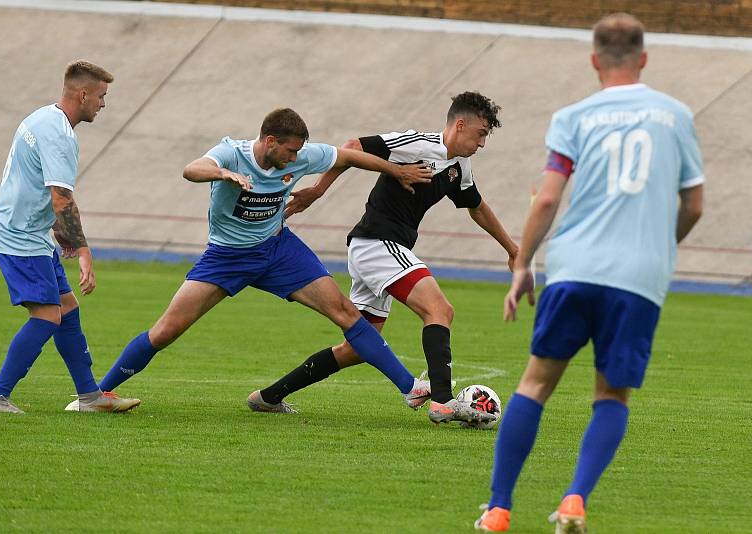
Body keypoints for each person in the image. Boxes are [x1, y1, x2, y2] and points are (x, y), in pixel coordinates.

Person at [475, 13, 704, 533]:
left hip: (575, 268)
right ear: (644, 58)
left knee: (535, 384)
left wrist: (523, 263)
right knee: (611, 395)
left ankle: (498, 509)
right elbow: (693, 203)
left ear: (594, 60)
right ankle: (575, 500)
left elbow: (550, 195)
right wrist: (660, 246)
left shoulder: (574, 116)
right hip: (638, 280)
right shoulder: (675, 115)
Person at [96, 108, 435, 407]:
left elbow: (348, 156)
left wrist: (396, 172)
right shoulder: (231, 153)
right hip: (226, 257)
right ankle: (99, 395)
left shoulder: (300, 155)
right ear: (270, 141)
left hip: (278, 250)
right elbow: (192, 169)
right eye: (289, 151)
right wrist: (223, 174)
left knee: (345, 312)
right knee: (166, 331)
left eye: (299, 152)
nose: (294, 159)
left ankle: (410, 389)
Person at [250, 91, 518, 425]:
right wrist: (318, 190)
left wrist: (512, 249)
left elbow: (476, 206)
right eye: (481, 134)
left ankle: (268, 397)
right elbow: (353, 147)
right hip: (378, 243)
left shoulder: (459, 167)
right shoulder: (418, 144)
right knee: (439, 309)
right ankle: (443, 401)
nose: (482, 144)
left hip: (379, 248)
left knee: (358, 348)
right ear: (460, 125)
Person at [0, 60, 141, 414]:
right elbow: (61, 198)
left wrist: (59, 234)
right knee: (48, 315)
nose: (103, 104)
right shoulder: (59, 135)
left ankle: (90, 397)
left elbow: (41, 189)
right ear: (83, 94)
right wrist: (83, 249)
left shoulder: (41, 118)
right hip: (19, 235)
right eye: (101, 96)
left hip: (31, 231)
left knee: (67, 309)